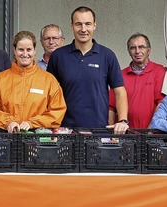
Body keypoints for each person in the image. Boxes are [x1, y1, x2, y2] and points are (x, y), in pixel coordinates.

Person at [47, 6, 129, 134]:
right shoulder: (58, 56)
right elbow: (48, 94)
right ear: (72, 26)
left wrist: (123, 120)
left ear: (94, 26)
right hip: (65, 130)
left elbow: (119, 91)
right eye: (78, 24)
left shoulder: (107, 55)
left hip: (99, 130)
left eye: (88, 24)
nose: (83, 29)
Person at [0, 31, 66, 133]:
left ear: (35, 51)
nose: (25, 54)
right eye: (20, 50)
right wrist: (9, 122)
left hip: (37, 141)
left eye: (29, 50)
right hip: (8, 139)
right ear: (14, 50)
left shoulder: (49, 80)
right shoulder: (0, 79)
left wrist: (32, 123)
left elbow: (57, 111)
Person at [108, 33, 166, 129]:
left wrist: (151, 130)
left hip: (152, 133)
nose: (137, 51)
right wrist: (110, 132)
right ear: (129, 52)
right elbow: (111, 107)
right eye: (133, 48)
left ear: (149, 50)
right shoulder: (120, 75)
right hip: (125, 133)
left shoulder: (160, 72)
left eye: (141, 47)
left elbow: (162, 103)